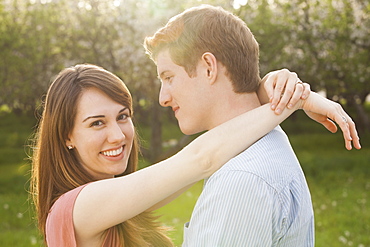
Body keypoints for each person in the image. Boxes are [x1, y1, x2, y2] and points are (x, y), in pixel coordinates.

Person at [31, 63, 337, 246]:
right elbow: (201, 160)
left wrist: (261, 95)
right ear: (67, 136)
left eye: (123, 116)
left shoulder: (112, 201)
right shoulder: (79, 208)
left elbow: (204, 156)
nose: (118, 134)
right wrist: (292, 102)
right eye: (97, 123)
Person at [144, 4, 361, 246]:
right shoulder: (269, 140)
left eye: (169, 77)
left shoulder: (240, 181)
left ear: (208, 67)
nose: (163, 97)